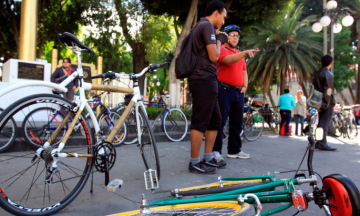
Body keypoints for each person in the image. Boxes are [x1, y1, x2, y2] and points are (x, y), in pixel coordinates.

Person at [187, 0, 228, 174]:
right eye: (223, 17)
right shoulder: (206, 26)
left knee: (215, 120)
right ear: (216, 13)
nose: (223, 22)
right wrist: (220, 41)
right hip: (202, 78)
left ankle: (208, 157)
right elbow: (214, 56)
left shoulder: (202, 27)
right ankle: (194, 162)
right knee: (200, 121)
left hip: (208, 78)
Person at [212, 24, 260, 162]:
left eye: (238, 36)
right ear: (226, 36)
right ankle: (216, 151)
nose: (236, 38)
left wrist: (245, 85)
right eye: (233, 35)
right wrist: (244, 52)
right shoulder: (221, 49)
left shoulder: (239, 54)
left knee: (237, 122)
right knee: (220, 122)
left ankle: (234, 150)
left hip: (238, 92)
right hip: (223, 90)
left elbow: (244, 71)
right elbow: (226, 60)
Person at [313, 55, 337, 151]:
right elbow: (328, 91)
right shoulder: (329, 74)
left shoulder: (317, 74)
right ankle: (322, 143)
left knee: (320, 122)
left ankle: (319, 142)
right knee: (324, 122)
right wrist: (325, 105)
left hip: (318, 100)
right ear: (331, 63)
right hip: (326, 102)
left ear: (321, 62)